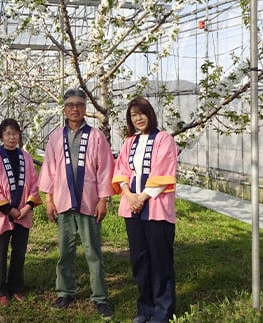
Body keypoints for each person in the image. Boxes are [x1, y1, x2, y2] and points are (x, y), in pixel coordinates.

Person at [39, 88, 115, 321]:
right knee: (65, 252)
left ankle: (100, 297)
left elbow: (104, 170)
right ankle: (65, 292)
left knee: (93, 252)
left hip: (89, 202)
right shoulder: (55, 137)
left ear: (85, 108)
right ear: (64, 108)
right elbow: (50, 169)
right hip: (62, 202)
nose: (75, 108)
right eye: (70, 104)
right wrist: (49, 199)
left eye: (79, 105)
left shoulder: (96, 137)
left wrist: (103, 199)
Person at [111, 97, 178, 323]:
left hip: (156, 208)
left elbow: (163, 171)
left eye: (141, 113)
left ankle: (163, 310)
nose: (138, 118)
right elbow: (121, 170)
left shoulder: (164, 139)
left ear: (150, 114)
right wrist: (129, 196)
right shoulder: (129, 142)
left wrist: (142, 197)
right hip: (132, 208)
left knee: (160, 261)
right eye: (133, 115)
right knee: (140, 260)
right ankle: (145, 308)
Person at [0, 118, 42, 308]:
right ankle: (0, 290)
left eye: (15, 133)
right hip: (2, 214)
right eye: (7, 133)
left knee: (19, 252)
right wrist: (9, 209)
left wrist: (26, 207)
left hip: (23, 213)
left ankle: (16, 287)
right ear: (1, 137)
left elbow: (34, 183)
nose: (12, 137)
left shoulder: (26, 157)